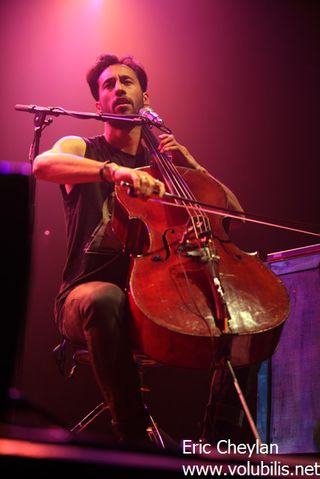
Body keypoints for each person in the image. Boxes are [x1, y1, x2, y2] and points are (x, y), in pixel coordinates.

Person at [33, 52, 254, 448]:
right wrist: (113, 172)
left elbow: (234, 215)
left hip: (155, 300)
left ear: (145, 98)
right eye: (108, 85)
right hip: (84, 296)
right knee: (106, 297)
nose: (118, 88)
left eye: (127, 81)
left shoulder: (167, 166)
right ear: (97, 104)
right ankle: (133, 438)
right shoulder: (83, 147)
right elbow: (43, 165)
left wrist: (192, 164)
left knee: (243, 313)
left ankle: (218, 440)